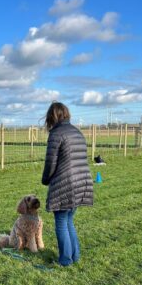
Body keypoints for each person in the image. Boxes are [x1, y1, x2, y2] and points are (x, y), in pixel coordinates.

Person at [41, 102, 93, 266]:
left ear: (52, 117)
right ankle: (74, 256)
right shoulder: (77, 132)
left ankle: (65, 260)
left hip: (66, 184)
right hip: (81, 182)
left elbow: (51, 162)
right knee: (68, 219)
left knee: (61, 223)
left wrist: (45, 179)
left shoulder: (56, 134)